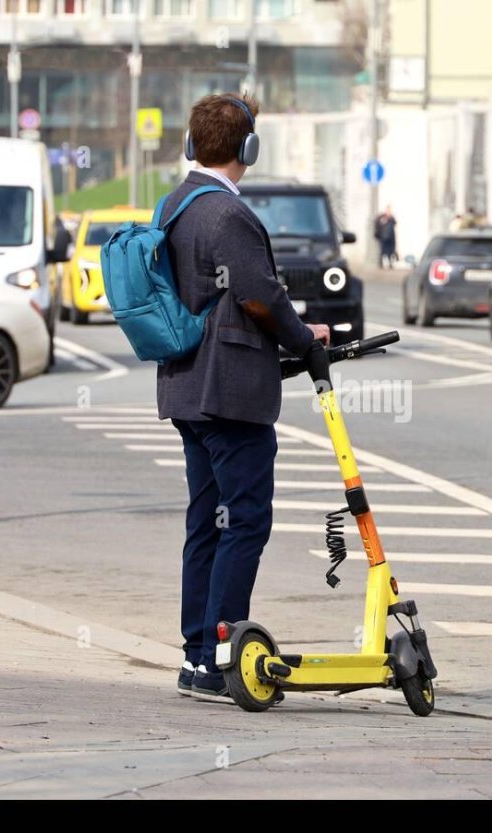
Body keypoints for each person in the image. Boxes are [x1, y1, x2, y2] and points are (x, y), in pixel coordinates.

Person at [157, 93, 330, 702]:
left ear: (191, 144)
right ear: (248, 148)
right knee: (244, 520)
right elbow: (258, 294)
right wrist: (302, 334)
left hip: (185, 389)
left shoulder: (174, 202)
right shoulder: (227, 215)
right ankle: (224, 656)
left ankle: (197, 657)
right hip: (228, 395)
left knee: (207, 522)